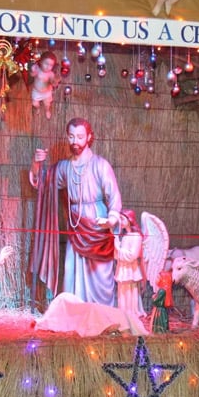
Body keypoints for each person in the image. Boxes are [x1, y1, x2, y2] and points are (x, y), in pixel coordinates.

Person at [30, 117, 122, 306]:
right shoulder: (65, 167)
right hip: (75, 225)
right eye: (71, 137)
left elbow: (114, 196)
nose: (75, 142)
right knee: (72, 270)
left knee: (100, 276)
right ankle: (76, 312)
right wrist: (37, 164)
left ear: (89, 137)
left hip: (97, 224)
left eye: (80, 137)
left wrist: (112, 218)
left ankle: (101, 313)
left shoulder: (100, 164)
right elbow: (43, 183)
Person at [114, 209, 145, 318]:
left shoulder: (136, 236)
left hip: (131, 270)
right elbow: (117, 256)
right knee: (122, 293)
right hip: (123, 269)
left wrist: (118, 248)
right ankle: (123, 314)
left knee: (130, 293)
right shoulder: (124, 236)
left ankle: (130, 314)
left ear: (129, 219)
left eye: (122, 219)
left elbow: (133, 255)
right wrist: (116, 247)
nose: (120, 221)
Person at [30, 52, 59, 119]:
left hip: (46, 93)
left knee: (47, 104)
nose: (48, 67)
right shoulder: (38, 70)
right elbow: (32, 75)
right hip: (37, 91)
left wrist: (54, 82)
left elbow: (53, 82)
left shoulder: (51, 74)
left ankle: (47, 110)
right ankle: (38, 108)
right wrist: (33, 71)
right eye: (46, 63)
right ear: (41, 62)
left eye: (51, 65)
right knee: (34, 103)